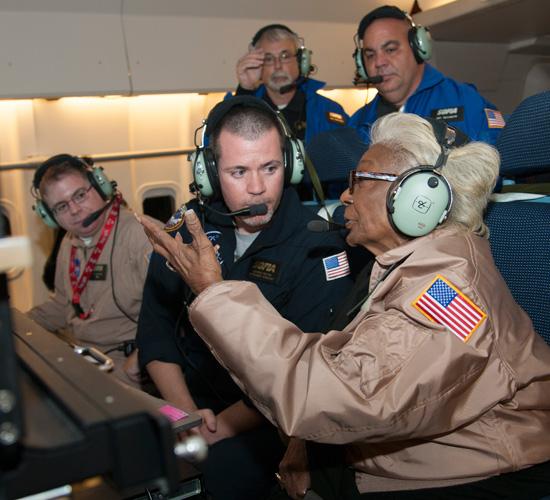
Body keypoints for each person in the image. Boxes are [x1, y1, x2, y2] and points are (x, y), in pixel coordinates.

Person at [141, 112, 550, 499]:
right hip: (403, 453)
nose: (344, 195)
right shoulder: (405, 266)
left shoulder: (449, 293)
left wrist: (214, 292)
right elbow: (348, 369)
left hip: (472, 472)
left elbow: (333, 394)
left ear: (415, 198)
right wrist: (306, 447)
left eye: (359, 180)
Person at [136, 96, 354, 500]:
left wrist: (213, 429)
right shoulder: (187, 230)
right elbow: (157, 329)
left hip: (268, 423)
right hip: (185, 405)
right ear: (210, 173)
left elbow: (299, 373)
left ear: (289, 165)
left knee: (203, 484)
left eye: (269, 168)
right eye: (238, 171)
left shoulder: (318, 248)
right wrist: (185, 415)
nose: (257, 188)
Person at [27, 154, 154, 388]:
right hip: (87, 355)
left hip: (131, 360)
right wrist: (18, 324)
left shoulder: (141, 234)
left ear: (99, 184)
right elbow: (63, 305)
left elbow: (177, 309)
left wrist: (145, 352)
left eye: (80, 195)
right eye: (62, 206)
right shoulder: (69, 243)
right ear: (51, 217)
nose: (75, 210)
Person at [349, 5, 505, 146]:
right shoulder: (357, 123)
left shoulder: (468, 103)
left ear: (418, 47)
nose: (379, 62)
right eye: (370, 55)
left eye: (390, 49)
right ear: (362, 65)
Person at [232, 24, 349, 144]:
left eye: (285, 56)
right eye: (268, 59)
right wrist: (245, 90)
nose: (278, 66)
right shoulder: (240, 105)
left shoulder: (328, 111)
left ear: (300, 61)